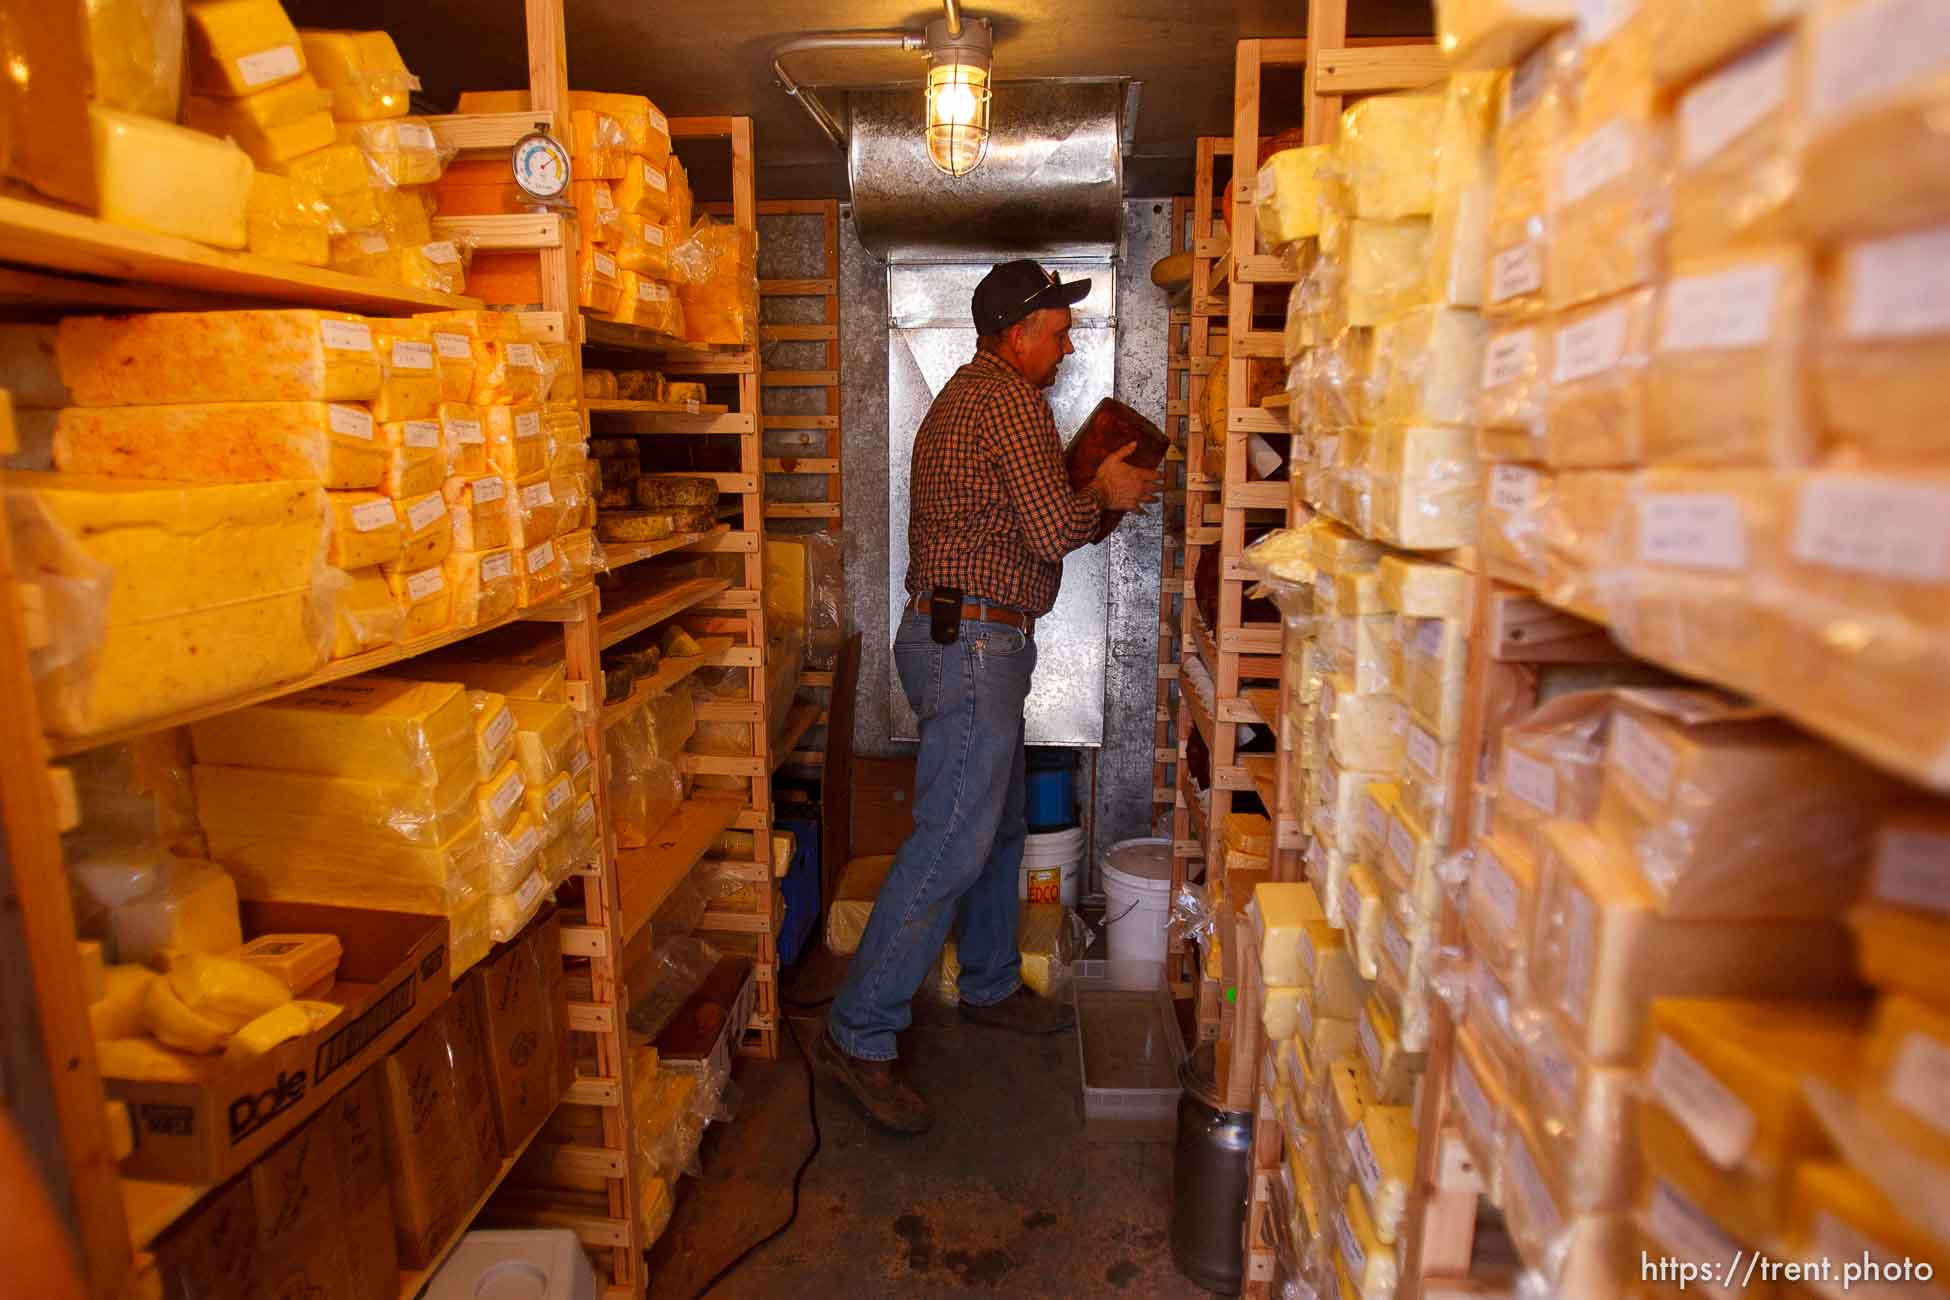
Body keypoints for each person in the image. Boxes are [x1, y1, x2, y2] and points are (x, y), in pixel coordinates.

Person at [815, 259, 1161, 1133]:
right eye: (1057, 329)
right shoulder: (1007, 400)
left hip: (968, 640)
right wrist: (1108, 492)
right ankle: (858, 1031)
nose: (1067, 342)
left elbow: (1028, 525)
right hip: (971, 645)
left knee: (996, 824)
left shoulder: (978, 397)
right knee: (949, 845)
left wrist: (1088, 492)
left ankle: (993, 983)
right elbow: (1052, 530)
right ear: (1018, 334)